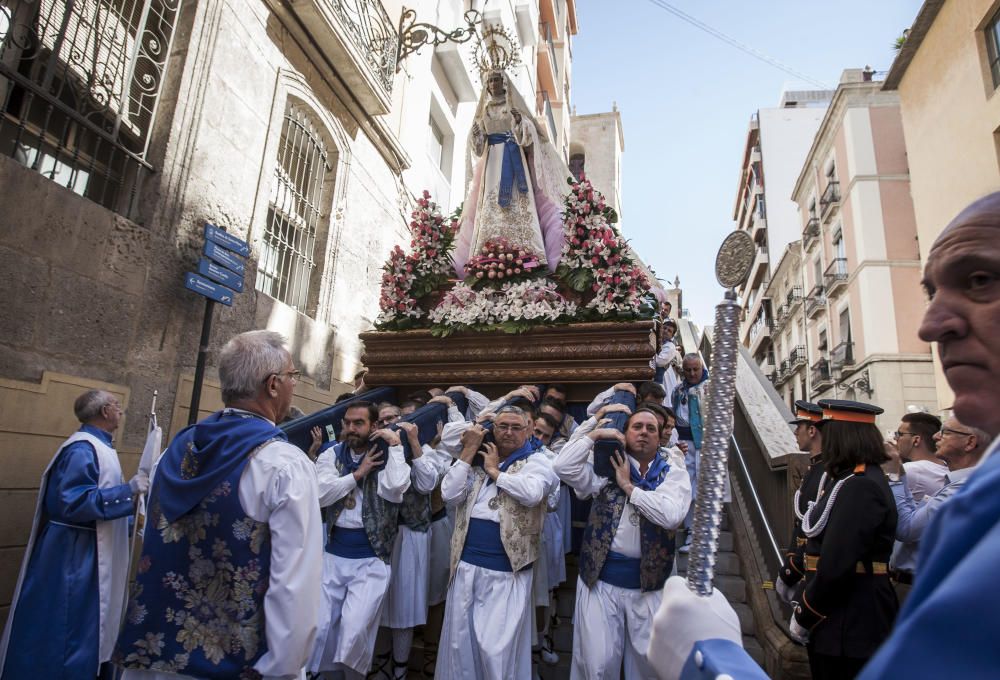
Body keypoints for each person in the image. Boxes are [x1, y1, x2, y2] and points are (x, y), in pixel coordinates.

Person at [650, 193, 1000, 678]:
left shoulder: (868, 485)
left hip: (854, 619)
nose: (931, 325)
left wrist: (713, 659)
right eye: (931, 293)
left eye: (981, 281)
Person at [114, 331, 323, 679]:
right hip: (237, 666)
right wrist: (281, 669)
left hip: (153, 660)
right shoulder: (284, 464)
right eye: (292, 376)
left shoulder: (176, 452)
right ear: (273, 385)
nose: (293, 385)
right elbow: (295, 588)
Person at [0, 390, 145, 680]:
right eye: (117, 406)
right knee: (66, 625)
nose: (121, 411)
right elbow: (73, 502)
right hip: (72, 554)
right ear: (104, 411)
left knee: (83, 624)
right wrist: (127, 491)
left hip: (86, 547)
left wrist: (132, 522)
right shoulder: (82, 449)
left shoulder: (100, 447)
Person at [554, 408, 691, 678]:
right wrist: (594, 433)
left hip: (649, 588)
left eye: (651, 428)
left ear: (660, 437)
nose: (643, 432)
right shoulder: (606, 468)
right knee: (598, 665)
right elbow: (562, 467)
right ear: (625, 434)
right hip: (601, 584)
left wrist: (629, 488)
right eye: (637, 427)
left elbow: (672, 515)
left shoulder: (672, 470)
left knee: (645, 667)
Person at [435, 406, 558, 679]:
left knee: (496, 652)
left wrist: (495, 471)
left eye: (516, 427)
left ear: (528, 430)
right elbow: (449, 494)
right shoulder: (476, 460)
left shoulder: (538, 462)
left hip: (506, 574)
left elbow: (532, 493)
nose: (509, 432)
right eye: (502, 426)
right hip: (466, 568)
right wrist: (468, 452)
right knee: (459, 647)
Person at [311, 402, 410, 678]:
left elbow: (396, 489)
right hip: (333, 556)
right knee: (321, 627)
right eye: (347, 423)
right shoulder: (331, 454)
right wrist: (357, 474)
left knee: (354, 630)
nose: (351, 429)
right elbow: (320, 494)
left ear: (375, 426)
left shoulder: (389, 455)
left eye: (358, 423)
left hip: (371, 559)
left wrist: (397, 447)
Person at [451, 69, 567, 276]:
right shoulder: (484, 111)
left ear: (504, 83)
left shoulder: (513, 107)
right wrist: (476, 136)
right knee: (489, 205)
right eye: (491, 81)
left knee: (518, 201)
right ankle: (485, 258)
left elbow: (529, 136)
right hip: (491, 166)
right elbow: (478, 148)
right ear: (487, 86)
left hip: (514, 162)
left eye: (497, 80)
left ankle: (530, 260)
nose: (494, 84)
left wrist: (521, 124)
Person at [884, 416, 990, 600]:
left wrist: (893, 475)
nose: (935, 436)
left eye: (946, 432)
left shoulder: (965, 488)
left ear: (970, 442)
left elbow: (907, 529)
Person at [775, 401, 825, 605]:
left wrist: (791, 571)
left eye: (799, 427)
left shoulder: (826, 472)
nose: (795, 433)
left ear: (812, 430)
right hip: (803, 563)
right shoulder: (815, 469)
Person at [671, 354, 709, 553]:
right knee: (686, 487)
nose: (692, 373)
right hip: (684, 446)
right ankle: (690, 532)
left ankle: (701, 535)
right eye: (688, 370)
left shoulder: (712, 388)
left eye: (696, 369)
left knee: (703, 489)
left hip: (705, 446)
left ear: (702, 367)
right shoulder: (677, 390)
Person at [891, 412, 946, 502]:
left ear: (916, 440)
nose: (895, 438)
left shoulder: (909, 469)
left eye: (899, 434)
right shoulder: (946, 465)